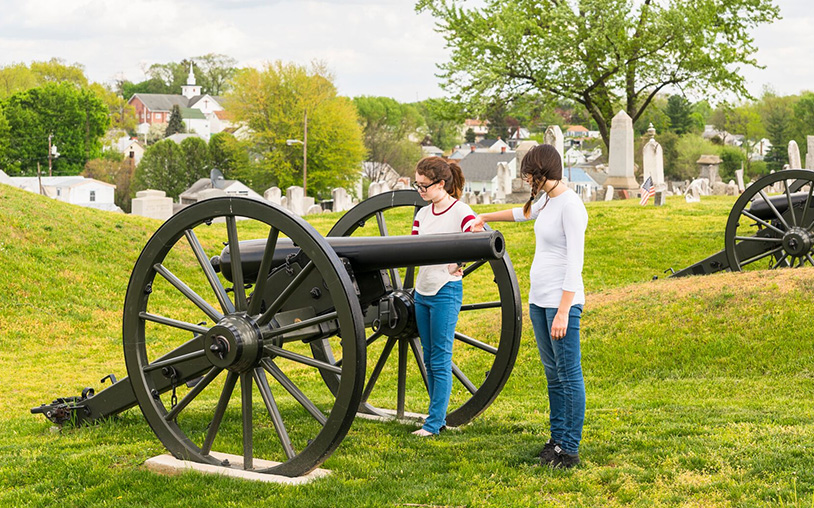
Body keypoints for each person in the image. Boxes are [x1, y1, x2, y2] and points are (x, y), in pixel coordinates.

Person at [472, 144, 588, 468]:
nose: (525, 178)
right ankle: (557, 439)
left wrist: (564, 310)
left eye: (528, 173)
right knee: (553, 375)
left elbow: (575, 264)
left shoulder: (571, 206)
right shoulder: (547, 200)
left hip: (561, 302)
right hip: (539, 300)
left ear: (543, 173)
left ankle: (570, 449)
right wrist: (483, 216)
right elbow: (522, 214)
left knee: (568, 374)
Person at [410, 156, 476, 437]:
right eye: (417, 185)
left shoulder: (460, 211)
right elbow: (411, 247)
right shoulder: (422, 215)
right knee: (428, 358)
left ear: (441, 184)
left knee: (440, 358)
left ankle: (434, 423)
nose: (420, 191)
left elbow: (476, 235)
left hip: (445, 291)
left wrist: (458, 262)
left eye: (424, 186)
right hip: (422, 292)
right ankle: (434, 414)